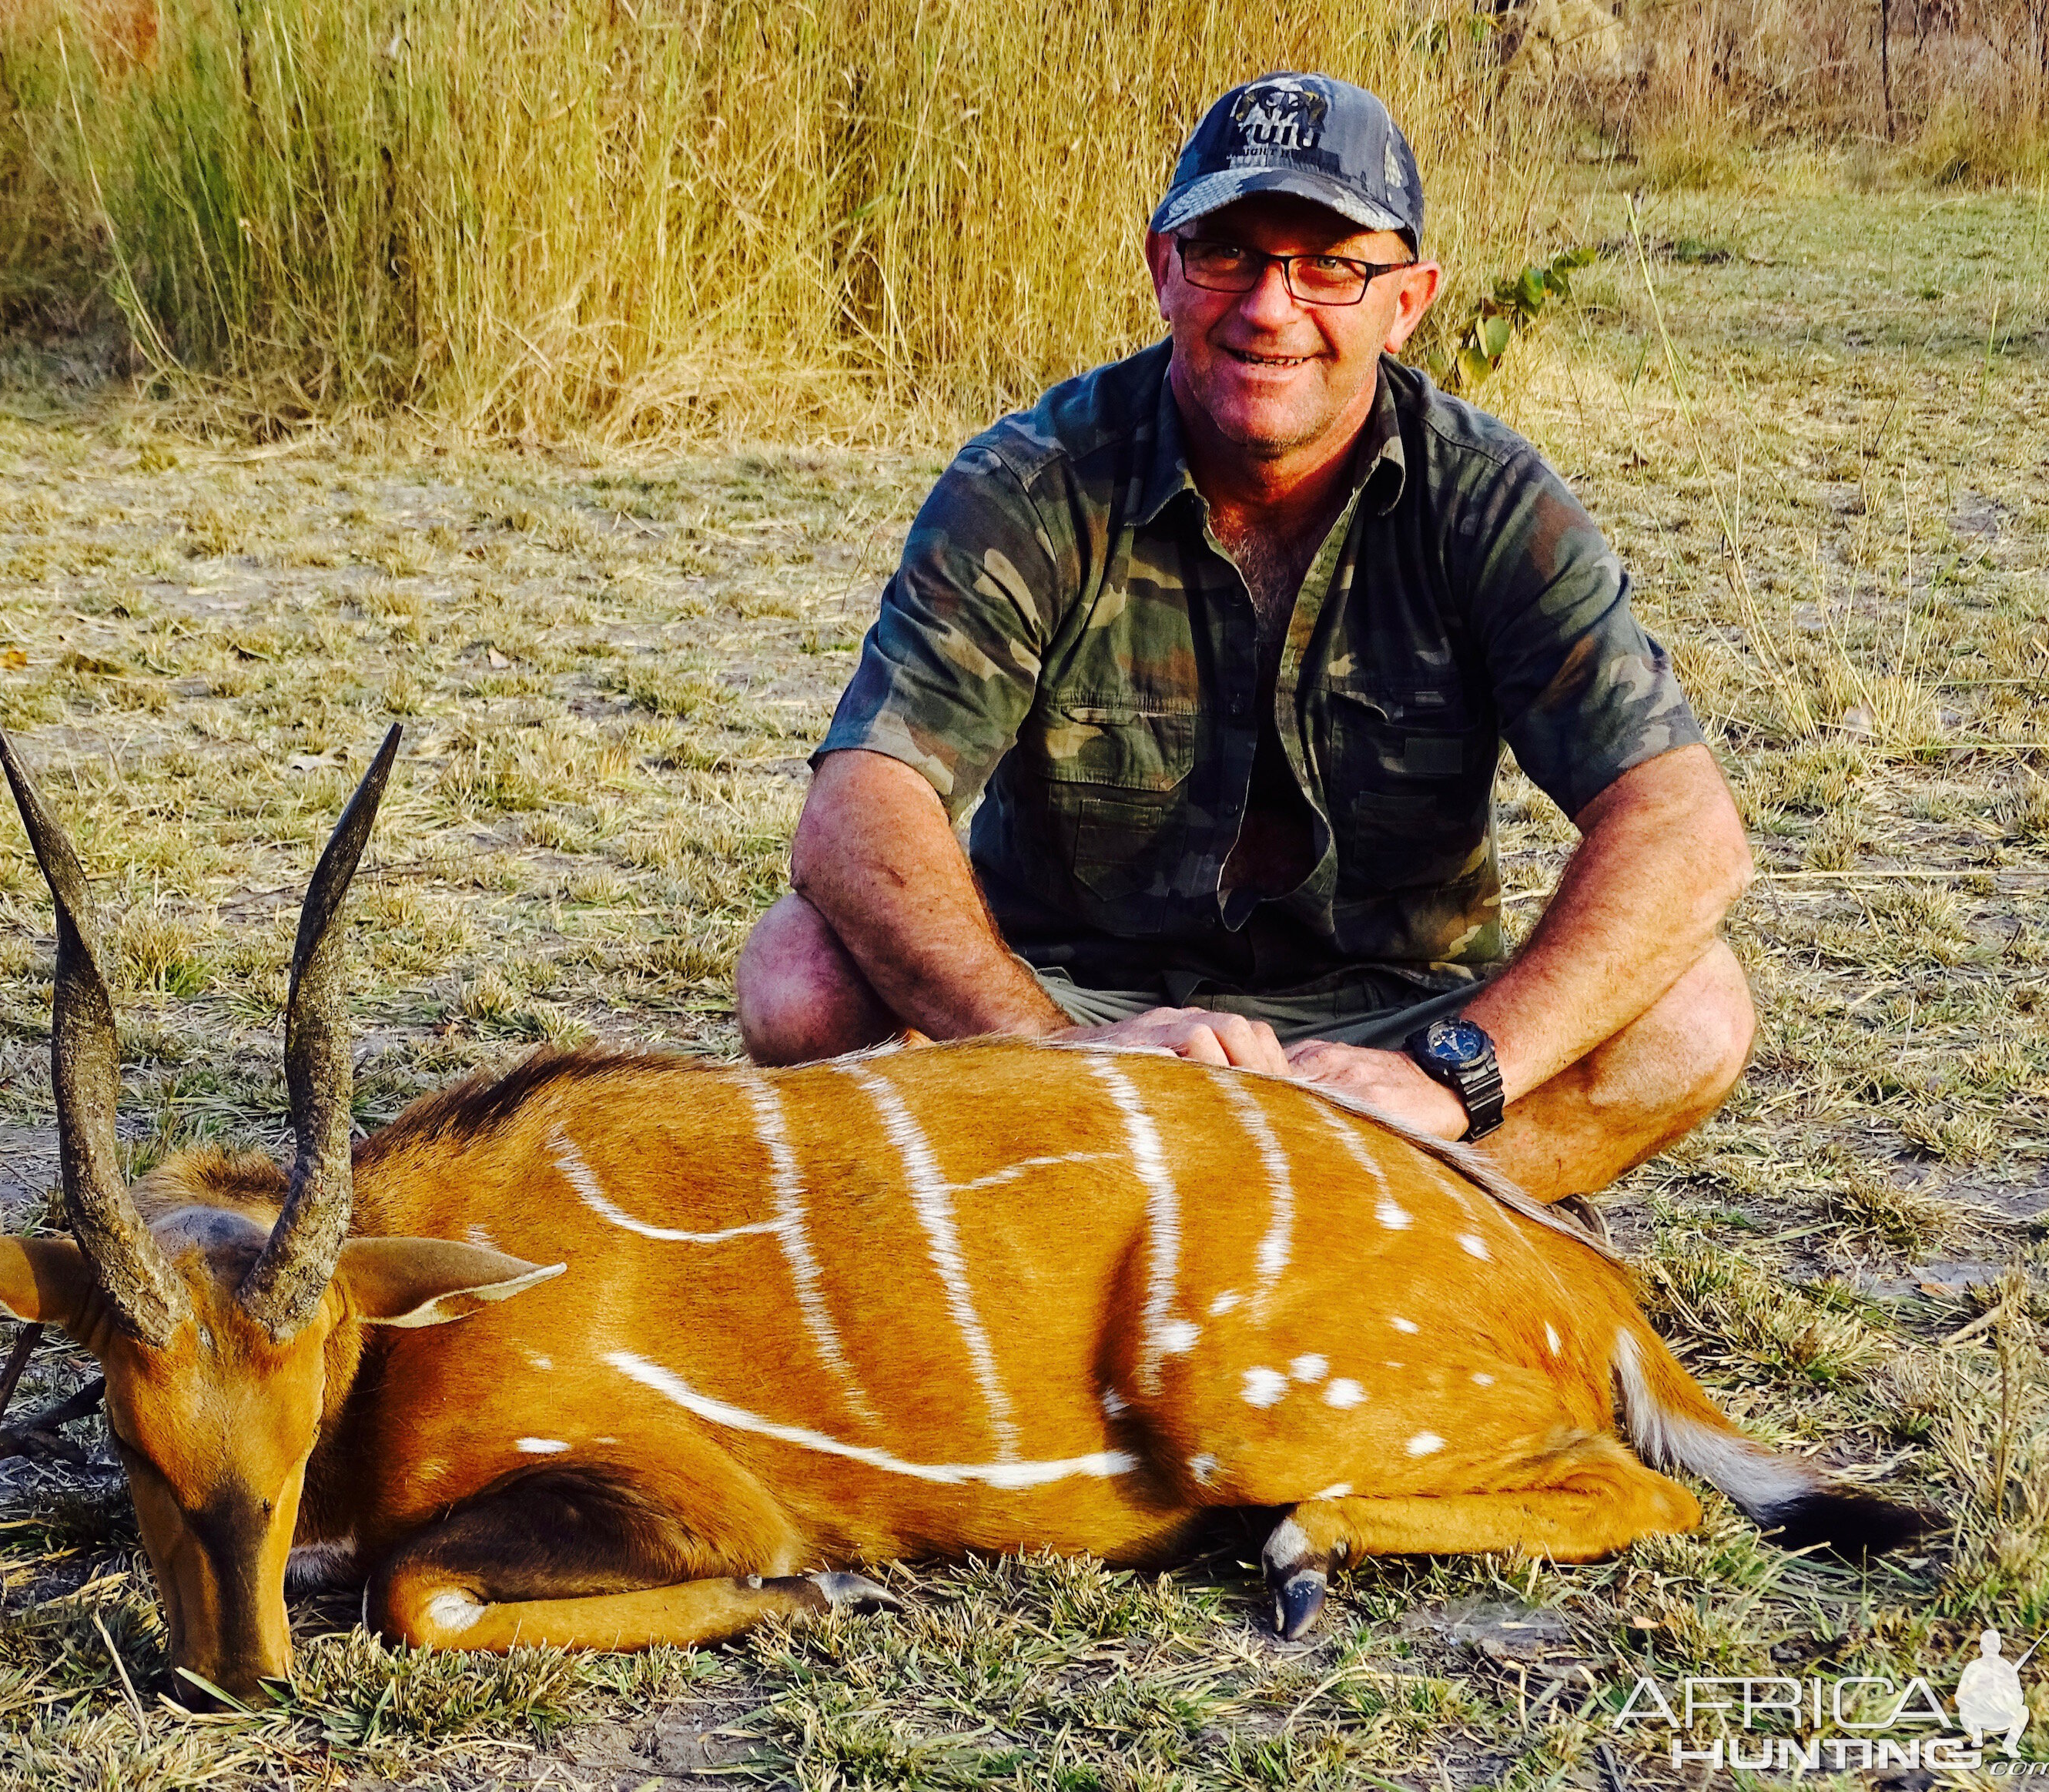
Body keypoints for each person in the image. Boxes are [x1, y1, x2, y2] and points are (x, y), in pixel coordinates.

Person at [735, 72, 1755, 1208]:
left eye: (1331, 267)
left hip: (1394, 1024)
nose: (1271, 308)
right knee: (800, 975)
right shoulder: (1029, 481)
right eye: (1228, 253)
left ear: (1407, 301)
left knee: (1695, 1010)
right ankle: (1177, 1228)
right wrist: (1041, 1040)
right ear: (1165, 268)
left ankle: (1375, 1235)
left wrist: (1454, 1071)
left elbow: (1685, 829)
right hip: (1083, 1013)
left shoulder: (1489, 497)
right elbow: (859, 810)